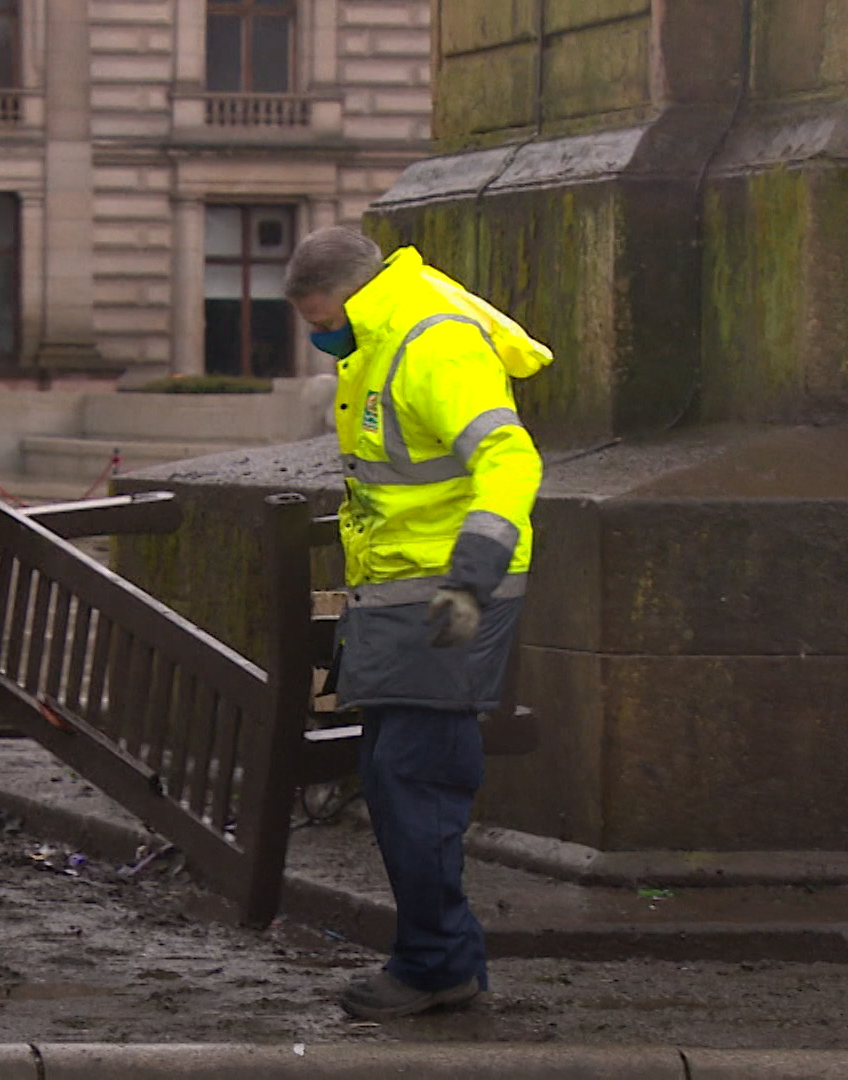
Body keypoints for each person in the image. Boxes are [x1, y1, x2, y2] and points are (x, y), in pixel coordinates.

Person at [282, 226, 550, 1021]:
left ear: (348, 295)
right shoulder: (388, 336)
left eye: (318, 317)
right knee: (402, 777)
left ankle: (436, 966)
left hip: (449, 594)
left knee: (415, 777)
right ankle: (444, 962)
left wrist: (471, 575)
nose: (318, 336)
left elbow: (510, 458)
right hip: (408, 595)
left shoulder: (429, 343)